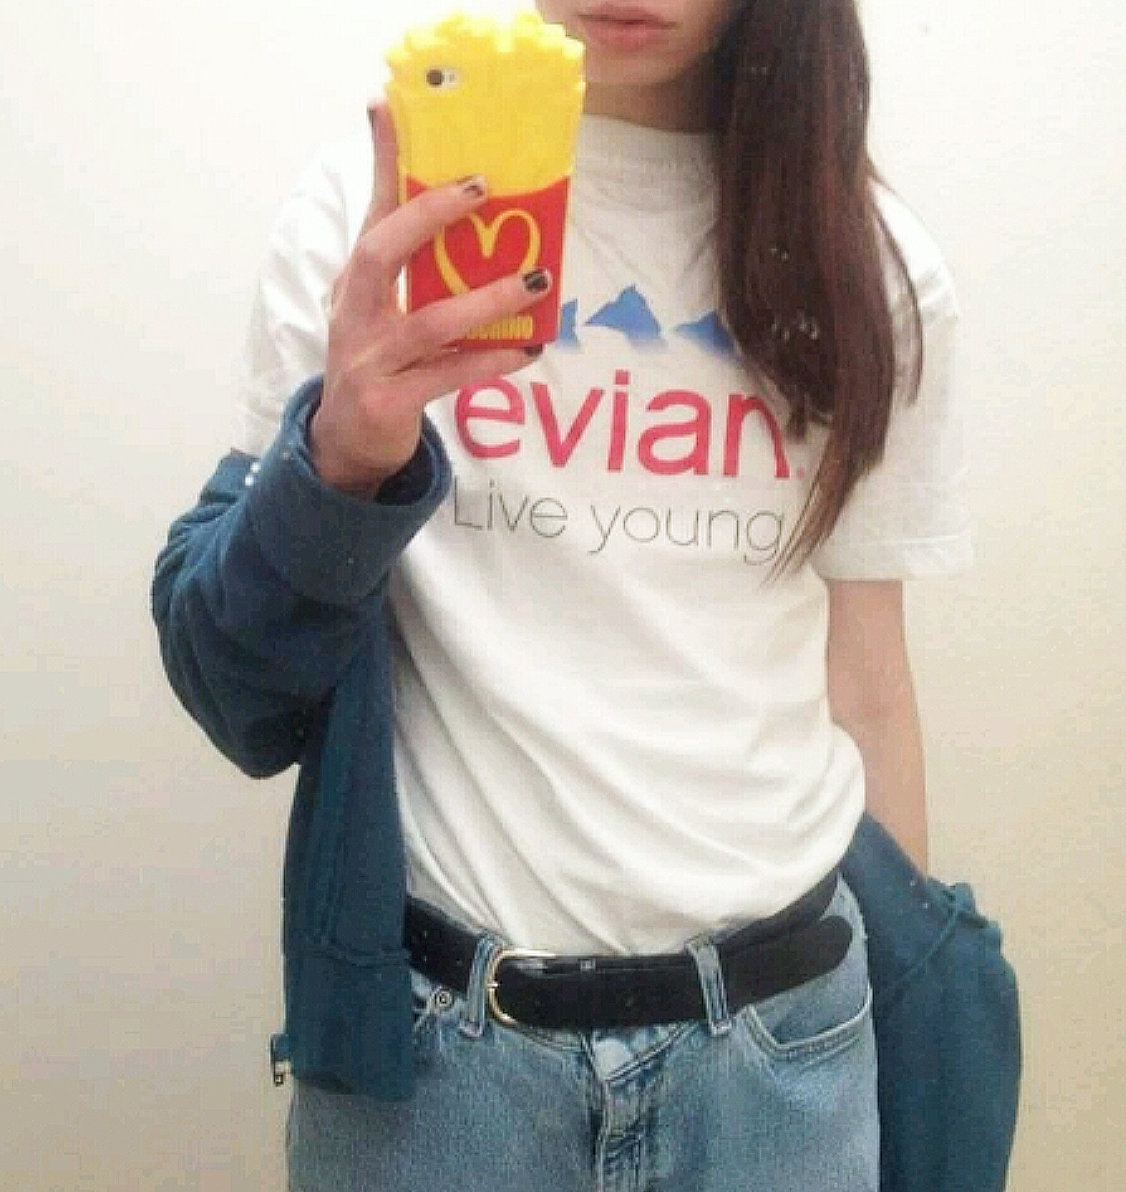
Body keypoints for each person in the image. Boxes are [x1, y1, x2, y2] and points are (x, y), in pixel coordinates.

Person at [154, 2, 983, 1189]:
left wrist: (916, 1008)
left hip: (782, 1062)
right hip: (437, 1068)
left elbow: (869, 688)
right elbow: (234, 690)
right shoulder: (370, 218)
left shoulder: (870, 265)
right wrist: (338, 463)